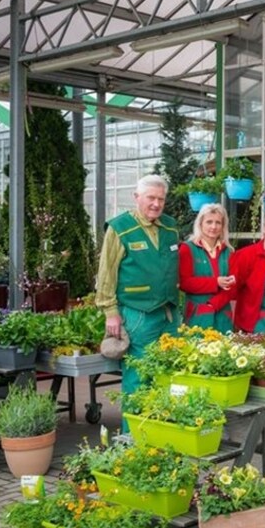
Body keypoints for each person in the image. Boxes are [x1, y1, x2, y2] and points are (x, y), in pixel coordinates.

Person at [96, 174, 180, 429]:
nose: (156, 204)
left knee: (167, 374)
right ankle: (132, 440)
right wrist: (111, 312)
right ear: (137, 198)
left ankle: (160, 434)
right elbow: (106, 272)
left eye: (161, 199)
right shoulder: (120, 227)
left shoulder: (171, 227)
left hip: (168, 313)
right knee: (138, 377)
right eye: (150, 198)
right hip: (137, 313)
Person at [179, 203, 235, 332]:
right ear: (200, 224)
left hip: (223, 315)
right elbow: (184, 282)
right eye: (209, 222)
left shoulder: (229, 251)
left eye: (218, 223)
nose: (213, 227)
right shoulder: (187, 249)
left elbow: (233, 286)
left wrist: (214, 304)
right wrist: (215, 282)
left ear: (223, 226)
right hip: (197, 315)